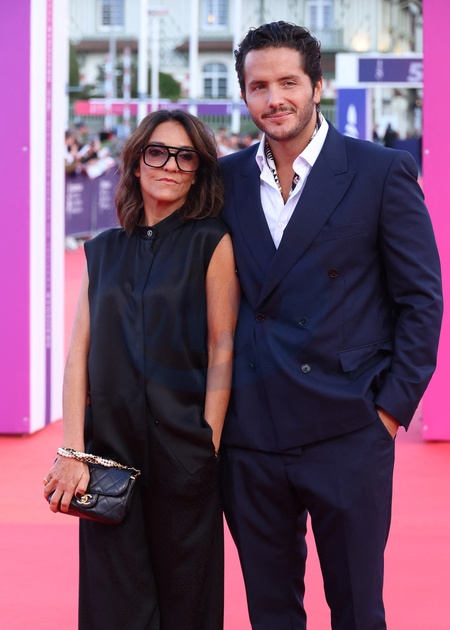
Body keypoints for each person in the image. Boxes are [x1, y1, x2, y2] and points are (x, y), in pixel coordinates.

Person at [218, 21, 442, 630]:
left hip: (348, 428)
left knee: (358, 611)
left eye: (288, 82)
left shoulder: (379, 171)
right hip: (251, 435)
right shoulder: (225, 180)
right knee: (270, 613)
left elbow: (421, 300)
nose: (274, 99)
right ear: (245, 94)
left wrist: (388, 412)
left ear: (317, 86)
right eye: (259, 86)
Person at [44, 109, 239, 630]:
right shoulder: (103, 251)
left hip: (185, 455)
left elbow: (222, 346)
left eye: (185, 157)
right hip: (109, 458)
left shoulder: (211, 242)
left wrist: (208, 443)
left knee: (188, 609)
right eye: (157, 153)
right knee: (114, 610)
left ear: (197, 172)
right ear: (136, 163)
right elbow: (78, 355)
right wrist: (72, 451)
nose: (170, 165)